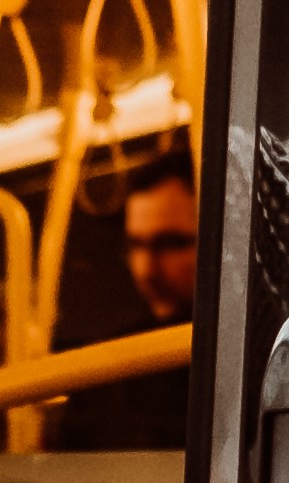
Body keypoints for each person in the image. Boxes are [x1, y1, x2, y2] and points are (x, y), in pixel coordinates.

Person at [44, 144, 198, 450]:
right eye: (136, 246)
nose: (147, 269)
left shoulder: (241, 356)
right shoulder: (112, 368)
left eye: (171, 243)